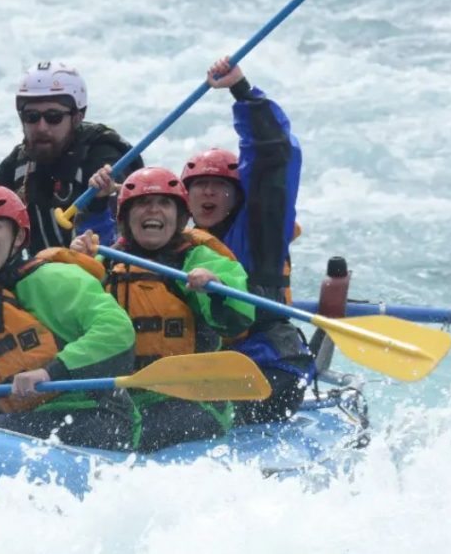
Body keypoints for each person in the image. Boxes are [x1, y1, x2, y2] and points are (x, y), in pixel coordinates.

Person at [0, 185, 137, 450]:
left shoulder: (58, 278)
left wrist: (50, 372)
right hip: (26, 421)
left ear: (18, 237)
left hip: (98, 416)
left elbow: (117, 332)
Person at [73, 167, 255, 450]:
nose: (153, 211)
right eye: (143, 204)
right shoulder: (104, 261)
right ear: (125, 217)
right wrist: (76, 266)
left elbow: (237, 318)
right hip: (125, 398)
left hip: (192, 401)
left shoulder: (198, 257)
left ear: (180, 217)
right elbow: (64, 320)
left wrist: (216, 287)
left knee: (117, 433)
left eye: (164, 204)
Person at [180, 57, 314, 424]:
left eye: (219, 187)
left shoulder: (261, 231)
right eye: (198, 187)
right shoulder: (172, 241)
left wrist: (242, 91)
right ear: (184, 200)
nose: (207, 193)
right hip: (208, 365)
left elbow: (275, 156)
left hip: (269, 362)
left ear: (239, 196)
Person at [0, 61, 143, 253]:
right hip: (43, 282)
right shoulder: (20, 162)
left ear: (78, 117)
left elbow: (131, 232)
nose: (41, 127)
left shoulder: (104, 154)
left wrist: (103, 196)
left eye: (53, 117)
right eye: (31, 117)